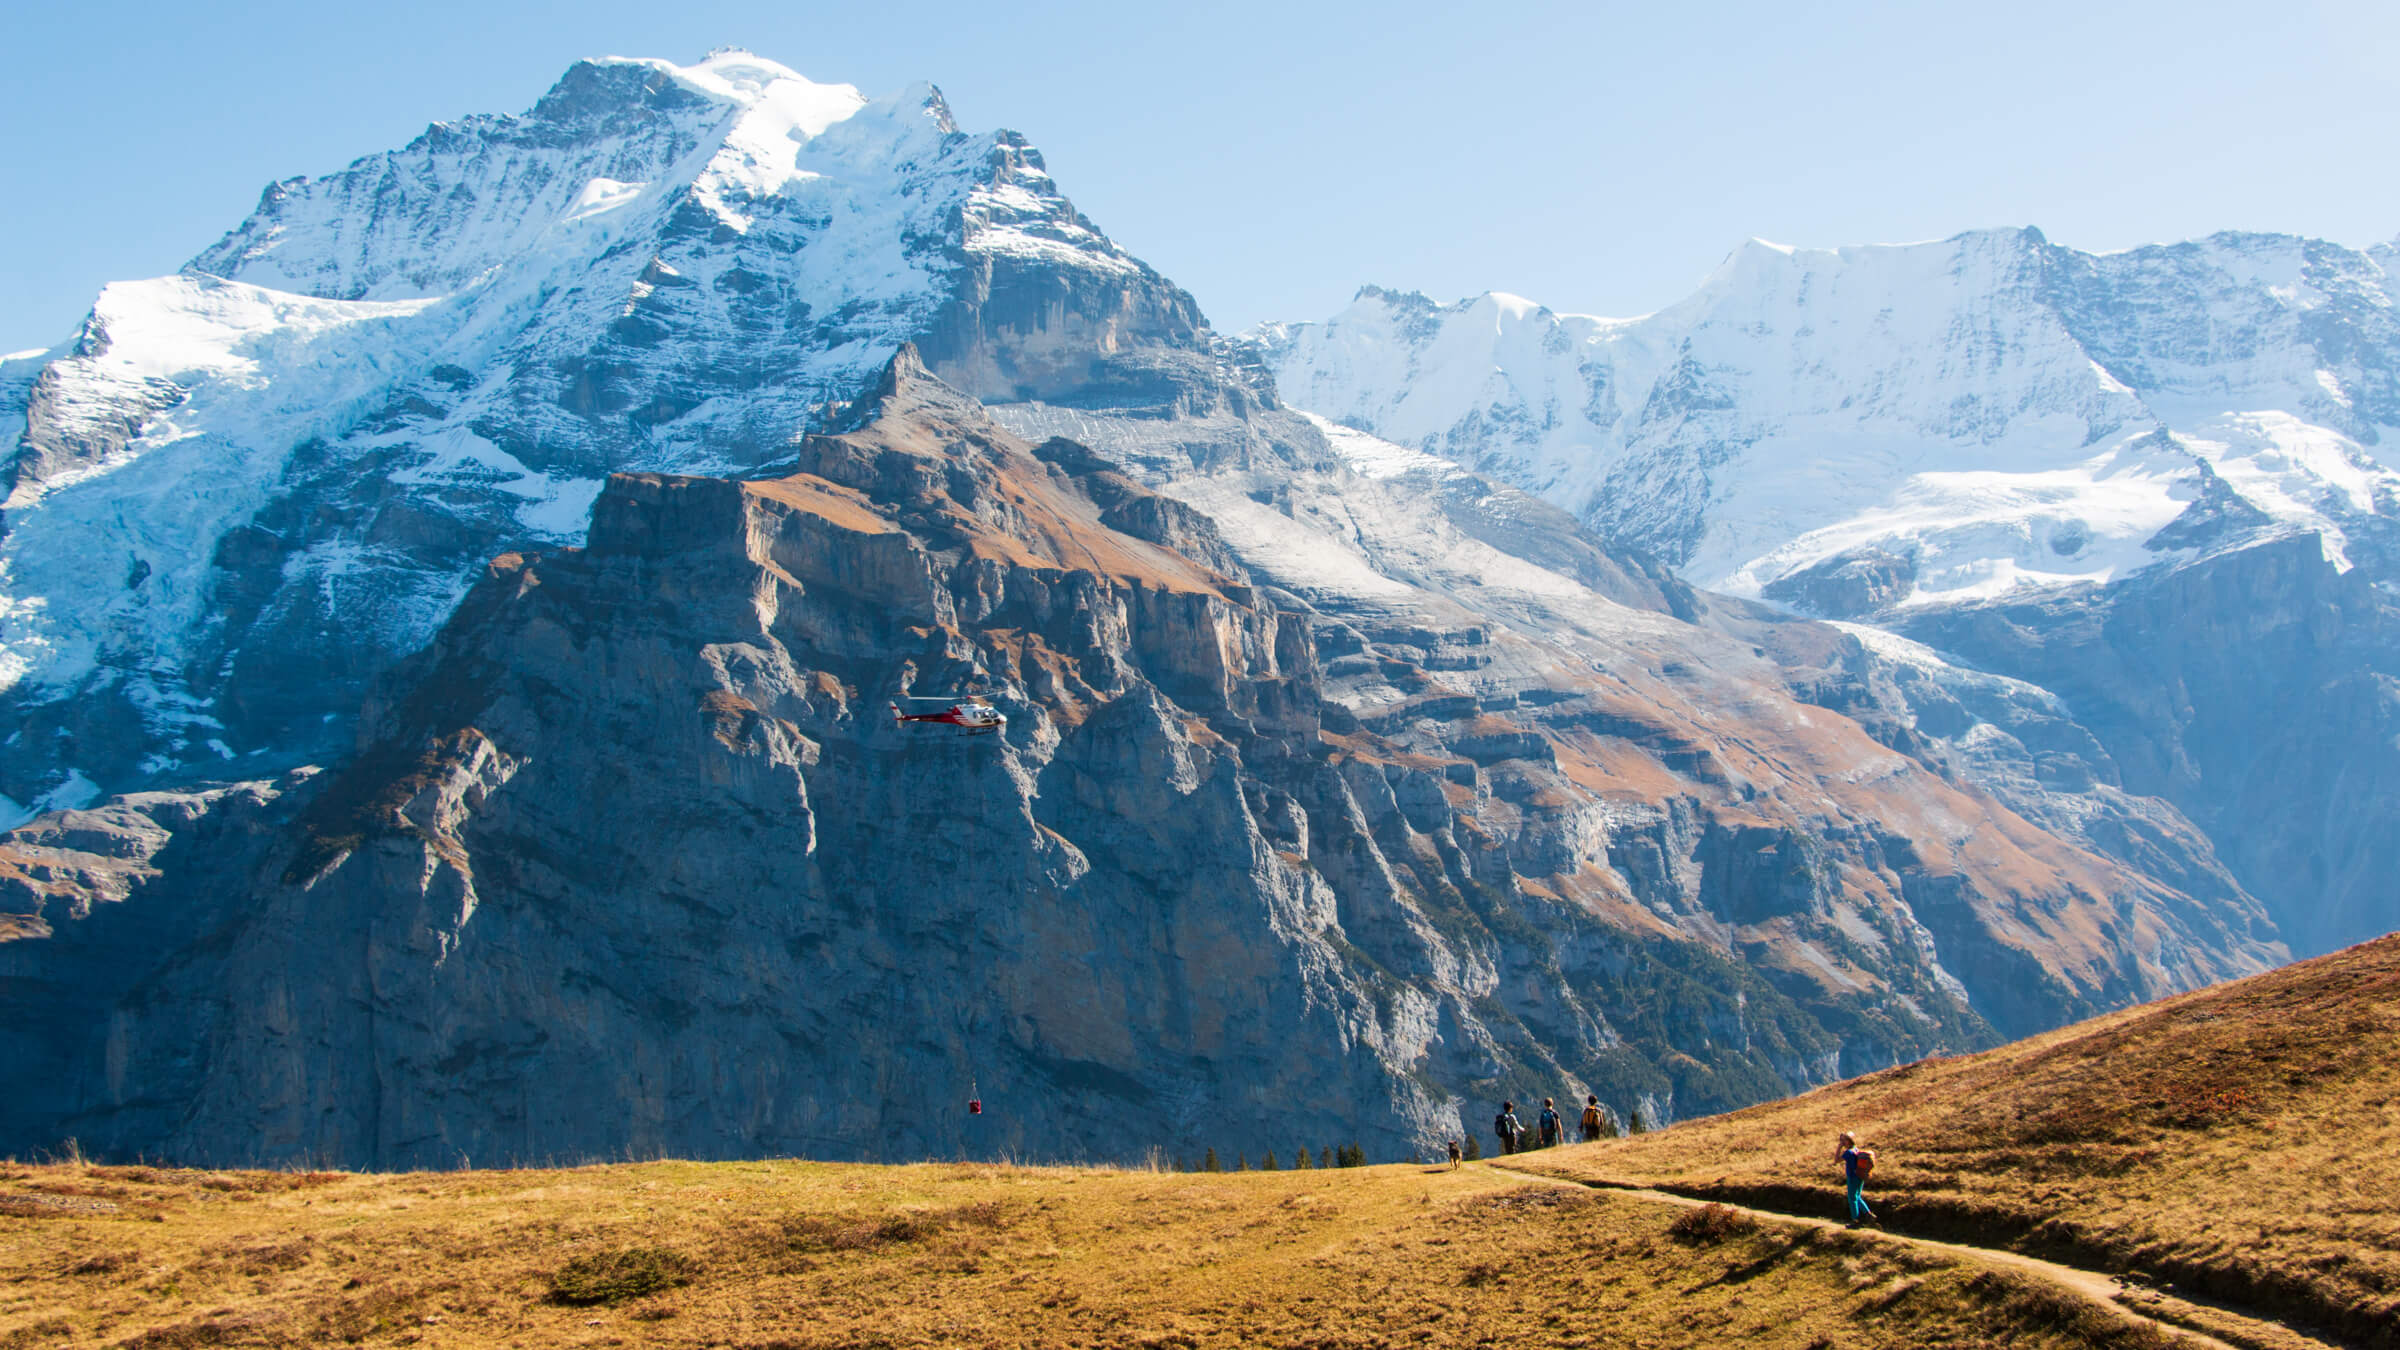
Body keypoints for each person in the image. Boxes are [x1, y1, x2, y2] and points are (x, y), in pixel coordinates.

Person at [1835, 1131, 1876, 1226]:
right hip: (1860, 1176)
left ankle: (1855, 1220)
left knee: (1852, 1198)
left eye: (1843, 1140)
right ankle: (1868, 1214)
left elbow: (1836, 1160)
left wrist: (1839, 1147)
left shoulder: (1848, 1152)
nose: (1842, 1142)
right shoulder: (1855, 1149)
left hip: (1852, 1177)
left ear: (1848, 1141)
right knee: (1857, 1197)